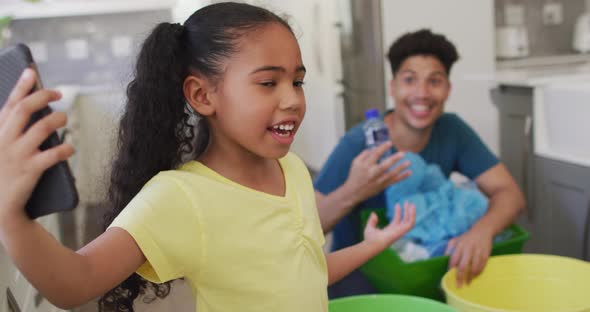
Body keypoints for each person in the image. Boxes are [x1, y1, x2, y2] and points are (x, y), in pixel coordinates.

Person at [0, 3, 417, 312]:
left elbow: (303, 277)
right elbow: (76, 283)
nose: (293, 99)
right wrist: (10, 214)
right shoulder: (180, 197)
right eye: (268, 82)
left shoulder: (291, 171)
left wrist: (372, 245)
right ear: (203, 95)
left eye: (298, 81)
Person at [315, 29, 525, 297]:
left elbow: (510, 194)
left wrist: (481, 231)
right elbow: (308, 225)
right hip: (361, 273)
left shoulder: (452, 130)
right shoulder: (359, 144)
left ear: (448, 89)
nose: (422, 93)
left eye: (434, 81)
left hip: (424, 265)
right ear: (393, 87)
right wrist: (354, 191)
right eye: (410, 80)